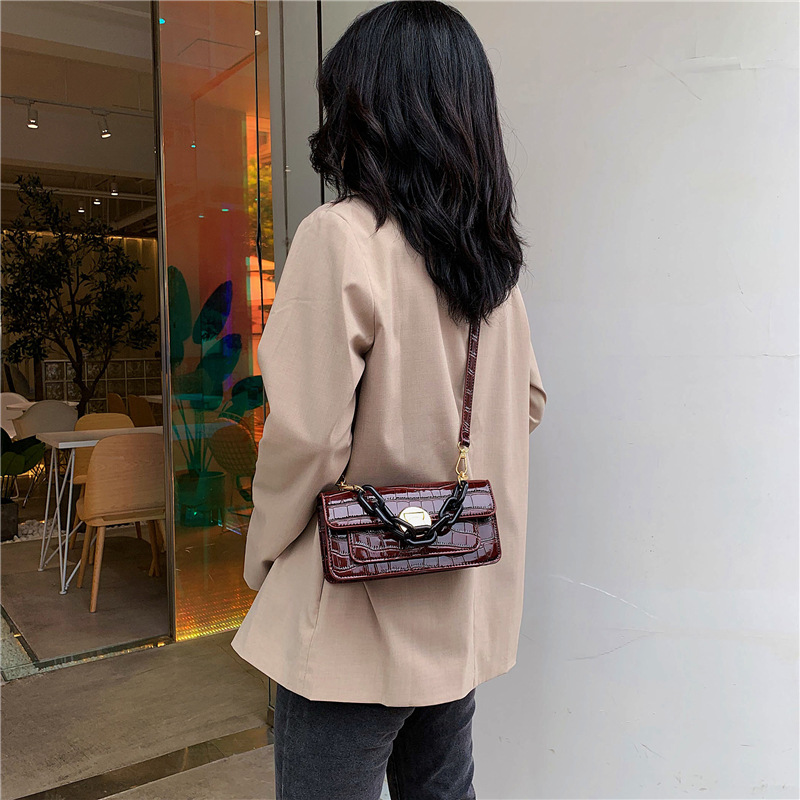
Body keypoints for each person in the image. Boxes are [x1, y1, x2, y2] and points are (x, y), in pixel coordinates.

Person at [230, 1, 547, 797]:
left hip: (354, 612)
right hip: (458, 597)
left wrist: (263, 550)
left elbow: (308, 438)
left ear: (368, 107)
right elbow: (528, 403)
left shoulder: (342, 236)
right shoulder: (489, 259)